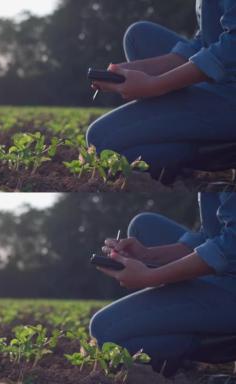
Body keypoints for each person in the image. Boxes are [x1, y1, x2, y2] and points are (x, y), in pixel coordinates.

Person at [90, 192, 236, 377]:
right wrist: (146, 255)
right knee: (143, 226)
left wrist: (150, 276)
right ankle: (188, 324)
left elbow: (231, 246)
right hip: (223, 270)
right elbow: (211, 235)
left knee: (106, 331)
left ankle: (216, 345)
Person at [86, 1, 236, 182]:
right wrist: (129, 72)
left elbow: (231, 49)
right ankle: (198, 136)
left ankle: (216, 149)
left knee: (101, 141)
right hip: (221, 81)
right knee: (139, 36)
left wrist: (154, 85)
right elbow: (204, 44)